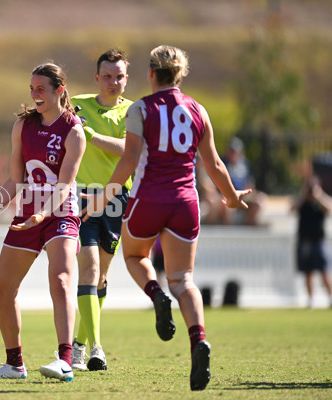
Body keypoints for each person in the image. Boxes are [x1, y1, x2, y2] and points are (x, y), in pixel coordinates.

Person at [81, 45, 251, 391]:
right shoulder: (198, 109)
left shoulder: (141, 108)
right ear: (181, 75)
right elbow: (215, 165)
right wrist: (232, 198)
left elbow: (129, 160)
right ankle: (198, 338)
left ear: (149, 74)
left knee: (133, 256)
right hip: (185, 201)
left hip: (149, 198)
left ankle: (157, 294)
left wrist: (104, 196)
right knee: (185, 280)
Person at [0, 63, 85, 382]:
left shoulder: (74, 130)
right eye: (31, 89)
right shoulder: (22, 126)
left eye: (40, 88)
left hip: (60, 214)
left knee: (60, 281)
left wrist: (43, 214)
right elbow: (15, 180)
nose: (34, 94)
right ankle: (15, 364)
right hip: (27, 215)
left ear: (60, 90)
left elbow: (65, 185)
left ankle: (65, 360)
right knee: (2, 289)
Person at [69, 48, 133, 371]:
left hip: (116, 199)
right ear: (97, 78)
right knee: (90, 269)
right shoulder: (77, 104)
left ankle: (79, 344)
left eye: (119, 76)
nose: (113, 81)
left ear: (127, 78)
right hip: (82, 198)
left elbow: (129, 151)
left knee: (102, 277)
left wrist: (90, 135)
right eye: (107, 76)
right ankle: (95, 348)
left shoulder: (134, 112)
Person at [292, 173, 332, 308]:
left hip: (318, 241)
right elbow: (292, 208)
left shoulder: (320, 202)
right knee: (308, 272)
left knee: (324, 271)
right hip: (304, 240)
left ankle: (330, 297)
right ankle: (311, 299)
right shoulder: (302, 201)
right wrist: (303, 195)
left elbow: (329, 208)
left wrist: (318, 195)